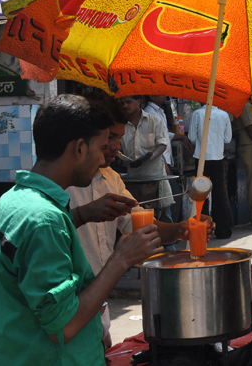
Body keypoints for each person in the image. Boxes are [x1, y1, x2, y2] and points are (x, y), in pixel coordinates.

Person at [0, 95, 162, 366]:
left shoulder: (12, 199)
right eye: (101, 147)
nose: (103, 157)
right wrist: (121, 259)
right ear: (80, 148)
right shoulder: (44, 220)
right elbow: (64, 326)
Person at [67, 91, 210, 349]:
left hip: (98, 308)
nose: (115, 147)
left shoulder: (111, 179)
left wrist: (180, 229)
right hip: (67, 313)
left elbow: (139, 223)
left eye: (119, 138)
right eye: (110, 138)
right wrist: (84, 214)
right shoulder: (62, 185)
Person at [119, 95, 174, 222]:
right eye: (122, 103)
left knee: (163, 213)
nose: (125, 106)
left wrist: (149, 157)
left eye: (128, 102)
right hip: (133, 175)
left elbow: (162, 144)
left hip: (155, 173)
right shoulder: (121, 125)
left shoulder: (154, 121)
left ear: (138, 102)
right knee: (136, 213)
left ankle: (167, 241)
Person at [189, 104, 234, 239]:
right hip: (217, 157)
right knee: (220, 193)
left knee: (201, 195)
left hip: (201, 158)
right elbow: (227, 139)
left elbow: (191, 137)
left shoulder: (197, 114)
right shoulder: (224, 115)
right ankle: (223, 230)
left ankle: (201, 230)